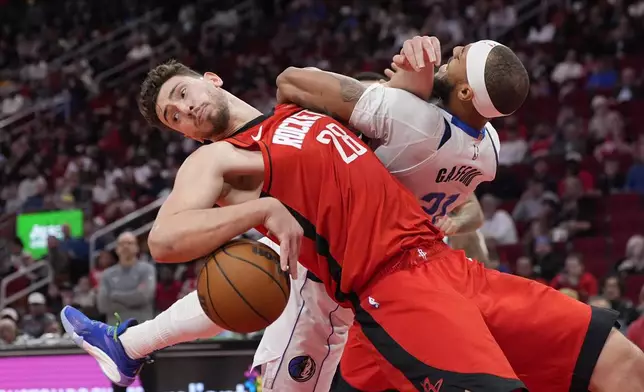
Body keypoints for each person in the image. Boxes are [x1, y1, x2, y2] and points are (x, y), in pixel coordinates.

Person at [62, 38, 643, 392]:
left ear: (209, 79)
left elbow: (395, 111)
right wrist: (261, 206)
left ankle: (128, 347)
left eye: (183, 94)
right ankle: (129, 347)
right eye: (173, 117)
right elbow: (166, 237)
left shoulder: (309, 114)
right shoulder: (221, 157)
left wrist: (420, 75)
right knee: (274, 276)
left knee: (619, 362)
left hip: (436, 267)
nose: (185, 110)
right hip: (370, 287)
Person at [94, 231, 158, 392]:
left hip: (144, 334)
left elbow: (145, 297)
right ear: (116, 249)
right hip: (117, 338)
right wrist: (132, 296)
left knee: (150, 384)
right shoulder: (107, 275)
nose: (126, 247)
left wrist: (115, 295)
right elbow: (103, 305)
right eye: (122, 243)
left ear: (137, 247)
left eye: (130, 243)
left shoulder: (147, 269)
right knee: (118, 385)